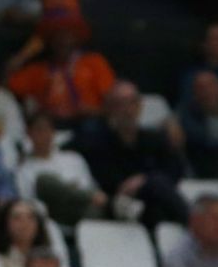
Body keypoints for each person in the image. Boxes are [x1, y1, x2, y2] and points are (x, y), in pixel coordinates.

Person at [77, 80, 188, 227]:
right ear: (110, 108)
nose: (127, 109)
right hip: (119, 205)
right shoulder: (97, 141)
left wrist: (144, 180)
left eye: (132, 103)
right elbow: (109, 183)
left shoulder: (155, 138)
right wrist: (145, 182)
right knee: (156, 186)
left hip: (155, 202)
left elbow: (175, 170)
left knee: (157, 188)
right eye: (120, 103)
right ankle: (194, 220)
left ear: (140, 106)